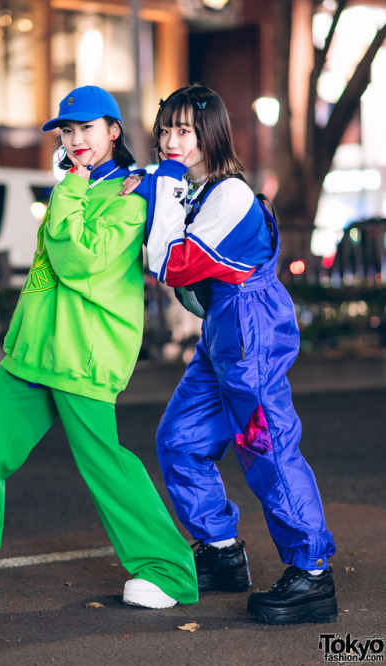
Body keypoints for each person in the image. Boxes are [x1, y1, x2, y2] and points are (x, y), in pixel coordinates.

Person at [0, 85, 198, 610]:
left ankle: (169, 571)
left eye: (87, 129)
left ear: (113, 132)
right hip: (33, 351)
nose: (75, 140)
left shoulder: (135, 193)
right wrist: (73, 185)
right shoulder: (82, 183)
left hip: (83, 354)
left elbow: (80, 262)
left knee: (104, 464)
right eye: (67, 131)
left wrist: (69, 185)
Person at [126, 84, 337, 624]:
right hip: (224, 332)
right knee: (180, 440)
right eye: (166, 130)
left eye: (185, 130)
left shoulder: (228, 196)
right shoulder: (195, 187)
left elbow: (171, 264)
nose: (172, 141)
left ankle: (312, 574)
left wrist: (165, 182)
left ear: (209, 133)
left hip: (251, 331)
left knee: (265, 447)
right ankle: (220, 552)